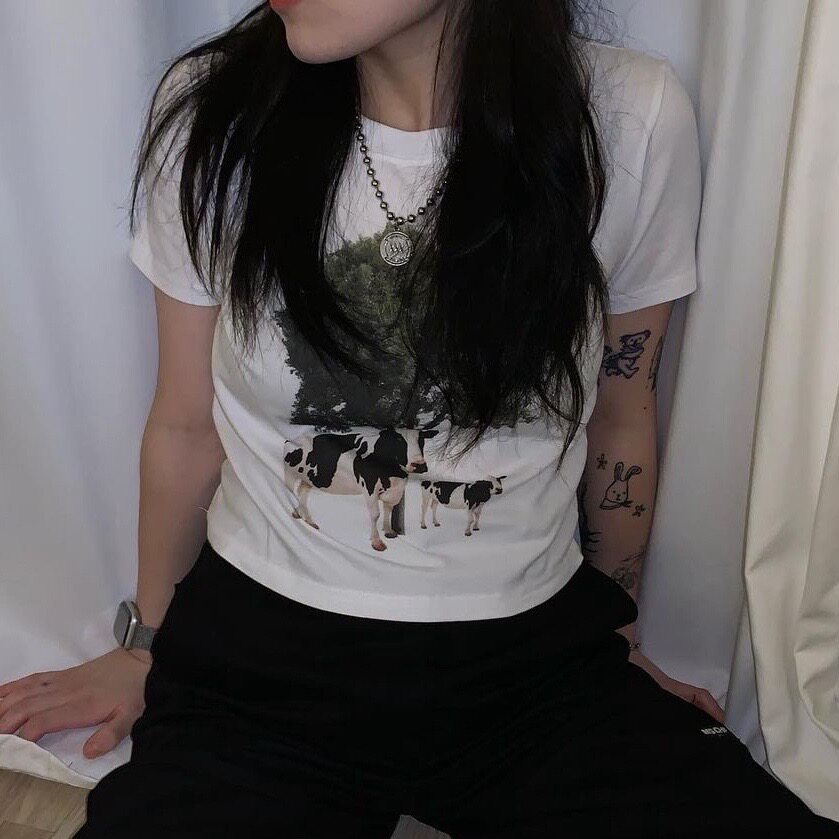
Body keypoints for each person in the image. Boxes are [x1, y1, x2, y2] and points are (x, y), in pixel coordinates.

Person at [1, 1, 835, 836]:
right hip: (258, 670)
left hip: (535, 671)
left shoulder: (627, 116)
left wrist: (615, 637)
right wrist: (147, 644)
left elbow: (621, 417)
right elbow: (186, 423)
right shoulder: (220, 112)